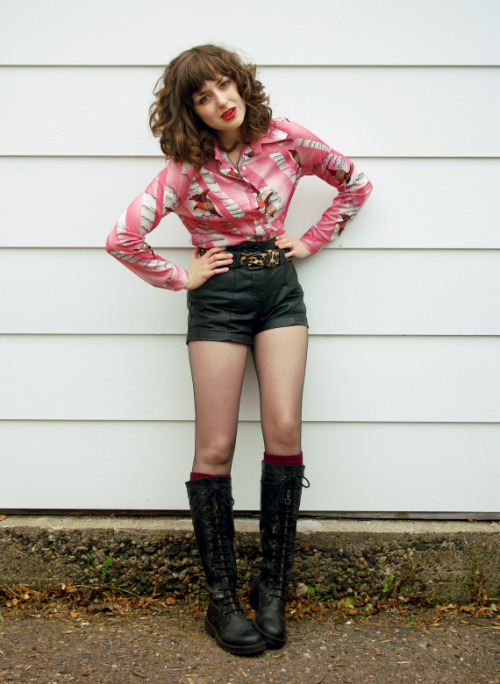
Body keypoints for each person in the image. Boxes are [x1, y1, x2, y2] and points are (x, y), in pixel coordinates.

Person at [106, 44, 372, 656]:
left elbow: (353, 183)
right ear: (189, 109)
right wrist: (182, 277)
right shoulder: (184, 168)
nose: (221, 101)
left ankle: (272, 589)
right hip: (219, 300)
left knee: (283, 427)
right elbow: (122, 237)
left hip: (279, 292)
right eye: (203, 96)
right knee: (217, 444)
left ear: (241, 84)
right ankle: (221, 599)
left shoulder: (286, 140)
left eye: (225, 85)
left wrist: (309, 241)